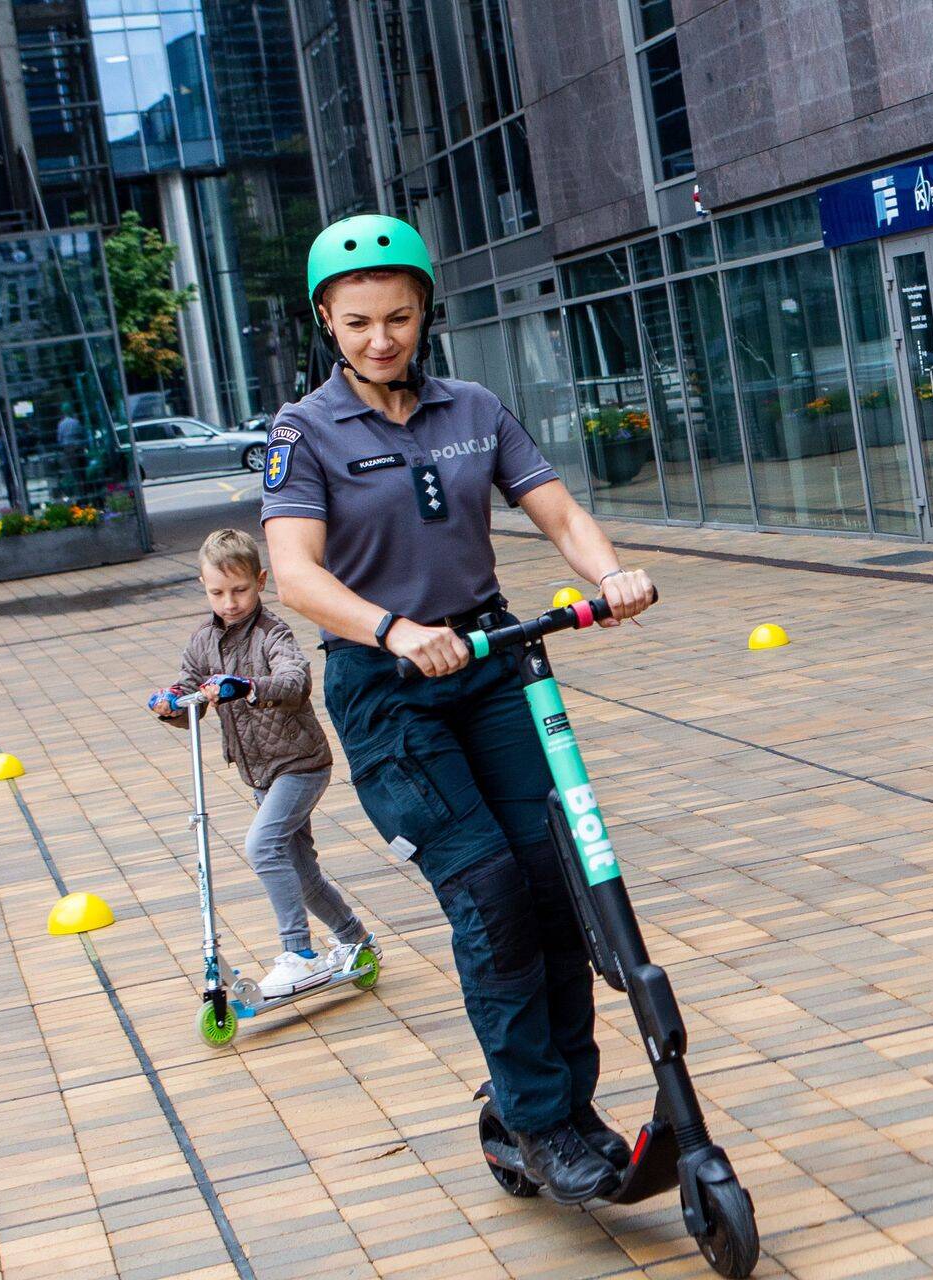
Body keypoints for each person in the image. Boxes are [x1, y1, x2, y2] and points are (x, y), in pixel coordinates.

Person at [261, 214, 656, 1206]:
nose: (381, 338)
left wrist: (610, 576)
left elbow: (557, 509)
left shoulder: (474, 406)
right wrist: (393, 628)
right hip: (388, 686)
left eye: (398, 316)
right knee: (489, 892)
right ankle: (536, 1119)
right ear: (326, 319)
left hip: (491, 661)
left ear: (426, 309)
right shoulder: (302, 433)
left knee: (556, 883)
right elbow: (293, 573)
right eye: (358, 322)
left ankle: (569, 1111)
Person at [148, 528, 372, 998]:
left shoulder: (274, 633)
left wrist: (247, 686)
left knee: (262, 846)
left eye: (240, 590)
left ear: (261, 581)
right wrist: (172, 702)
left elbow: (293, 679)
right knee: (303, 877)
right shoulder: (202, 642)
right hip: (260, 774)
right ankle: (356, 941)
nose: (229, 602)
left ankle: (298, 953)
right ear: (203, 587)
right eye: (217, 592)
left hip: (300, 763)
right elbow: (191, 685)